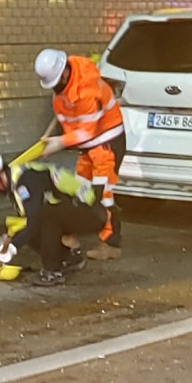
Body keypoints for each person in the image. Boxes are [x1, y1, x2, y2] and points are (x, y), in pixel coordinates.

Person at [34, 48, 125, 258]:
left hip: (106, 143)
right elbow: (70, 120)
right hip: (89, 147)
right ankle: (71, 234)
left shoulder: (87, 90)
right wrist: (52, 139)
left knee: (102, 195)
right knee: (77, 190)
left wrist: (59, 142)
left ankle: (111, 244)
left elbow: (87, 131)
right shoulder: (66, 82)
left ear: (64, 72)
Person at [0, 149, 99, 287]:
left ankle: (52, 272)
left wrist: (13, 246)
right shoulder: (15, 183)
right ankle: (69, 258)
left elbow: (35, 218)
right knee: (32, 228)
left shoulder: (27, 180)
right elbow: (28, 220)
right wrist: (8, 238)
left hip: (91, 211)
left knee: (45, 217)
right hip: (70, 211)